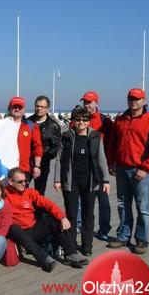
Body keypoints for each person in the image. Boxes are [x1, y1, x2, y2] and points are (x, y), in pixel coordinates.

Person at [107, 88, 149, 254]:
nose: (133, 102)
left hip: (140, 170)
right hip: (121, 169)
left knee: (142, 207)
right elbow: (112, 144)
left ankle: (141, 240)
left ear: (144, 101)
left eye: (137, 99)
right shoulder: (120, 120)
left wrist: (145, 168)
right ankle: (123, 236)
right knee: (123, 205)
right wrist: (112, 163)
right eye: (131, 98)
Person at [54, 107, 110, 256]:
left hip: (90, 181)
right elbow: (59, 159)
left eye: (85, 119)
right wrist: (57, 179)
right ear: (73, 120)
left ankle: (87, 246)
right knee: (72, 214)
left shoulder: (96, 136)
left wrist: (106, 180)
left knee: (88, 214)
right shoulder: (66, 136)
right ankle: (71, 245)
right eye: (78, 119)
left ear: (89, 121)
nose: (81, 122)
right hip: (71, 180)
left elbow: (101, 158)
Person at [78, 91, 115, 240]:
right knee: (80, 199)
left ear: (96, 103)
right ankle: (79, 225)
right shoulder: (78, 119)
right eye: (84, 102)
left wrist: (111, 163)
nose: (86, 105)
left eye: (89, 102)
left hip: (99, 167)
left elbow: (112, 144)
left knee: (103, 201)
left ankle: (104, 229)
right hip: (81, 166)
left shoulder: (105, 121)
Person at [29, 96, 62, 196]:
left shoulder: (53, 125)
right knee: (21, 189)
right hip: (27, 162)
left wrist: (44, 156)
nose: (39, 108)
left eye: (42, 107)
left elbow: (56, 146)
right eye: (37, 106)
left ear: (47, 109)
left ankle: (38, 207)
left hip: (43, 163)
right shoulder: (27, 122)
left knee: (39, 192)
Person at [7, 97, 43, 182]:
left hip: (23, 168)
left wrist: (37, 166)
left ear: (24, 110)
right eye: (14, 107)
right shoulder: (2, 125)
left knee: (22, 190)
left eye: (20, 107)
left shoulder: (31, 126)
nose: (17, 109)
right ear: (9, 108)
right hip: (6, 167)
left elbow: (38, 147)